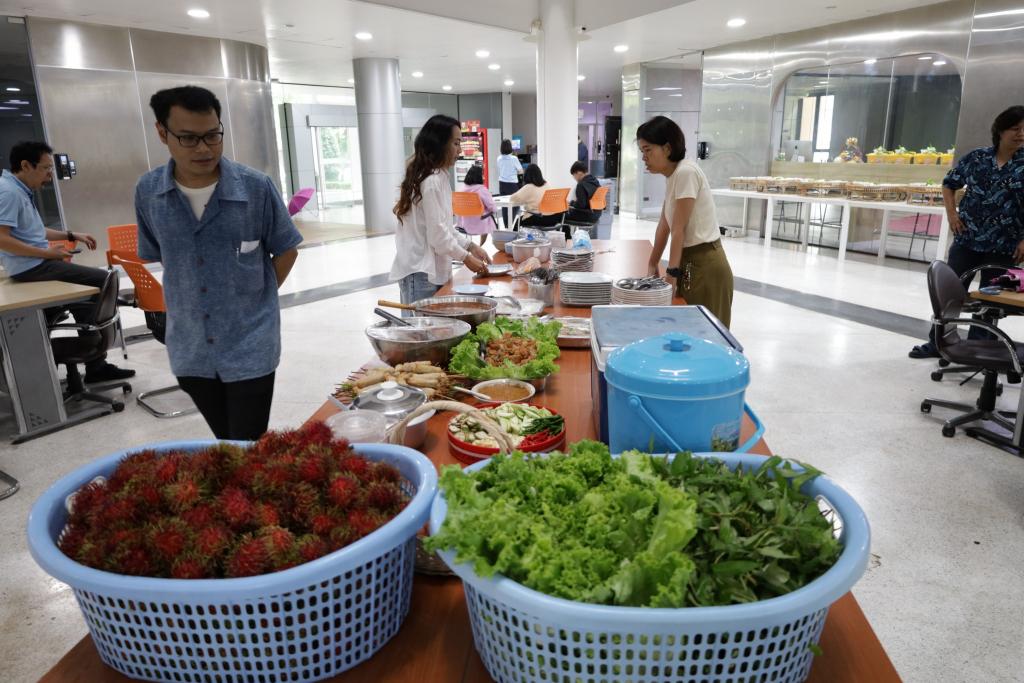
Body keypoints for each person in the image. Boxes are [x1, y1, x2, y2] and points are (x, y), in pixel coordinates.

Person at [134, 86, 302, 440]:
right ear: (162, 133)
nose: (204, 148)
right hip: (190, 347)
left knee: (245, 443)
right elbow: (162, 255)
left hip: (250, 343)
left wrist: (257, 299)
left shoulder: (255, 188)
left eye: (213, 135)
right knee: (226, 440)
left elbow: (287, 250)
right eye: (189, 138)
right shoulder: (149, 192)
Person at [0, 141, 135, 384]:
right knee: (104, 280)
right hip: (33, 267)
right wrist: (47, 254)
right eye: (46, 168)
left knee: (87, 296)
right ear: (26, 165)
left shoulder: (19, 190)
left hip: (37, 264)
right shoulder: (9, 192)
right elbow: (2, 238)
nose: (50, 175)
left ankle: (92, 358)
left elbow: (34, 231)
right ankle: (93, 358)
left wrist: (71, 235)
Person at [909, 105, 1024, 359]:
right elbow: (949, 184)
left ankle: (978, 350)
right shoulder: (977, 158)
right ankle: (938, 342)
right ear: (1000, 131)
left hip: (1005, 244)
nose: (1021, 134)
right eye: (1016, 129)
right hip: (968, 238)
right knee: (949, 293)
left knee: (991, 299)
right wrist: (952, 214)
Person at [638, 115, 734, 327]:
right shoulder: (673, 176)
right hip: (689, 262)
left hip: (706, 265)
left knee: (708, 334)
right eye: (641, 151)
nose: (644, 157)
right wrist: (652, 263)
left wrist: (672, 274)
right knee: (688, 330)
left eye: (648, 150)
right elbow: (664, 224)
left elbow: (678, 230)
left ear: (667, 148)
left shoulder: (686, 172)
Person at [391, 114, 491, 308]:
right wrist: (466, 258)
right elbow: (438, 236)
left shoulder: (439, 176)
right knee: (420, 326)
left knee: (436, 324)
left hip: (433, 271)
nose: (459, 150)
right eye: (456, 143)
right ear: (439, 144)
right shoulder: (431, 181)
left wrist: (471, 247)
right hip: (421, 271)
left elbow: (445, 227)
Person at [457, 164, 497, 245]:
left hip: (464, 223)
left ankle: (471, 245)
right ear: (479, 176)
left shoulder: (462, 189)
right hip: (480, 223)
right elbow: (492, 208)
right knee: (490, 217)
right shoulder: (482, 189)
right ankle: (481, 245)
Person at [496, 139, 523, 229]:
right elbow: (520, 171)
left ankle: (506, 225)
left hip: (502, 184)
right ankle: (511, 223)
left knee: (504, 205)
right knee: (515, 204)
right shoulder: (514, 158)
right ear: (510, 147)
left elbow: (500, 169)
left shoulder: (499, 158)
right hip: (512, 184)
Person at [566, 160, 600, 225]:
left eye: (574, 175)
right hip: (596, 214)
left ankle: (565, 232)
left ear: (579, 173)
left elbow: (581, 205)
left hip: (587, 215)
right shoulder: (595, 181)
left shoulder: (581, 185)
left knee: (561, 215)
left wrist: (571, 203)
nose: (574, 178)